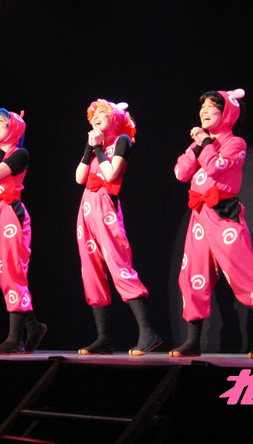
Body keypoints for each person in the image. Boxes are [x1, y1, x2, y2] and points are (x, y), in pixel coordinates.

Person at [171, 89, 253, 359]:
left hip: (224, 214)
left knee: (243, 270)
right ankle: (193, 341)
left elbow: (214, 167)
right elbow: (181, 173)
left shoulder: (236, 143)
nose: (204, 111)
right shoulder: (200, 143)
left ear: (228, 113)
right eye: (203, 107)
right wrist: (198, 145)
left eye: (212, 106)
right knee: (192, 273)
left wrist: (205, 143)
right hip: (199, 215)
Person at [75, 99, 162, 356]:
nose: (96, 116)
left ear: (115, 118)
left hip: (105, 206)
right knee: (91, 270)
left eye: (102, 113)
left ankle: (148, 332)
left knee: (118, 264)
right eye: (94, 114)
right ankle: (103, 339)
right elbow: (79, 177)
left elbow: (111, 174)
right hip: (86, 208)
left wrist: (98, 147)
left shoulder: (122, 140)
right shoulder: (96, 146)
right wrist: (90, 147)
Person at [0, 108, 46, 355]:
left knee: (13, 271)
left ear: (14, 128)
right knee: (4, 274)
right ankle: (33, 326)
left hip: (10, 213)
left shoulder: (19, 154)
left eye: (2, 122)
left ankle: (15, 339)